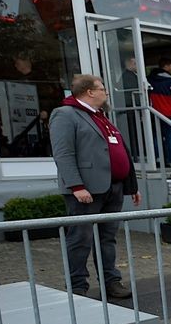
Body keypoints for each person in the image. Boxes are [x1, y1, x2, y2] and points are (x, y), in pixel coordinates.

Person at [50, 74, 140, 299]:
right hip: (86, 190)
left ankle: (111, 281)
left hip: (113, 187)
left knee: (107, 238)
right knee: (80, 239)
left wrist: (130, 184)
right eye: (102, 89)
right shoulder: (65, 114)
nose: (106, 93)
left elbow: (118, 150)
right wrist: (76, 186)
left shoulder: (100, 116)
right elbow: (63, 153)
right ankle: (77, 286)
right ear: (89, 92)